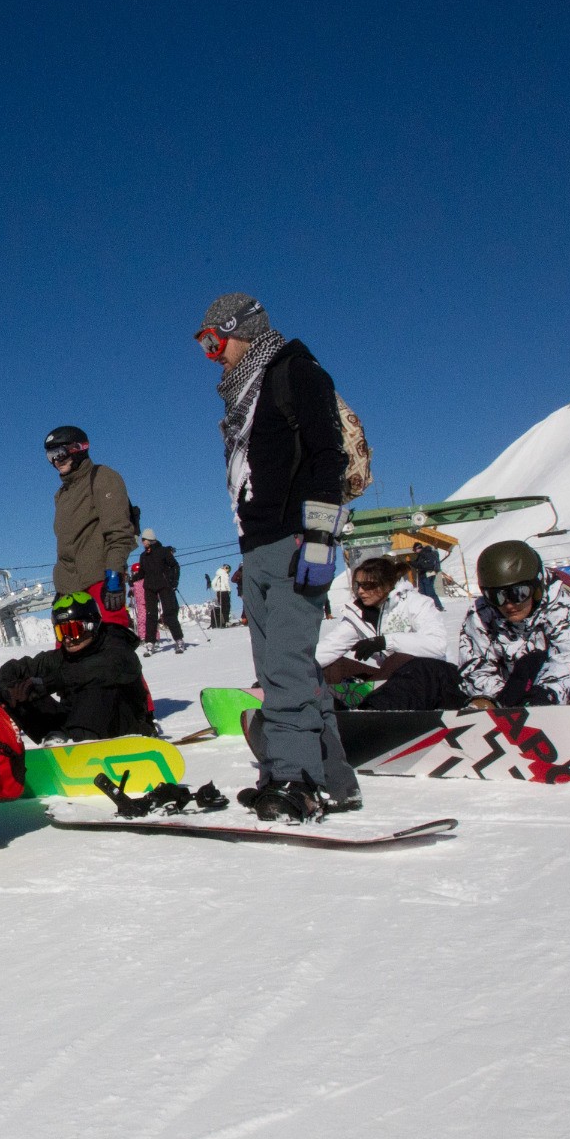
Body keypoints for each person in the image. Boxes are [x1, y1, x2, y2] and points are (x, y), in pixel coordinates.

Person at [198, 292, 360, 822]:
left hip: (297, 541)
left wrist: (320, 538)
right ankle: (330, 776)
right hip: (257, 548)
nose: (212, 354)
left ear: (242, 329)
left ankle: (295, 780)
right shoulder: (239, 395)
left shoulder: (296, 372)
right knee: (279, 668)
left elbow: (327, 457)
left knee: (288, 666)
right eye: (205, 345)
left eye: (214, 341)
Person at [0, 591, 157, 743]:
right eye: (61, 632)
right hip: (78, 726)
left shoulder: (118, 649)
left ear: (91, 625)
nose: (67, 639)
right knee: (16, 692)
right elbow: (23, 667)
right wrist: (7, 687)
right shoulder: (65, 654)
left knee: (96, 685)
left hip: (123, 728)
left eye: (73, 630)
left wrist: (46, 683)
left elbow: (96, 670)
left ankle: (78, 743)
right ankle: (57, 743)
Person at [460, 541, 570, 709]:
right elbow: (476, 666)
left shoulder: (563, 608)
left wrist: (543, 696)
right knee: (434, 672)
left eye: (518, 593)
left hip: (565, 698)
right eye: (495, 596)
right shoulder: (482, 612)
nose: (508, 604)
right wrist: (495, 701)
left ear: (536, 587)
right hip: (509, 699)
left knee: (531, 662)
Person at [316, 556, 460, 711]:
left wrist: (386, 641)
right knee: (333, 666)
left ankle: (369, 710)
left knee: (399, 659)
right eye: (358, 585)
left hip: (434, 679)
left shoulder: (416, 603)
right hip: (393, 681)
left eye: (368, 585)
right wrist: (295, 668)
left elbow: (437, 645)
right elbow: (329, 648)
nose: (361, 591)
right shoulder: (359, 614)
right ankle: (329, 707)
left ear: (387, 585)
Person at [45, 425, 137, 629]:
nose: (56, 460)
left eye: (59, 453)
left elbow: (120, 533)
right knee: (69, 653)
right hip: (69, 589)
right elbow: (67, 545)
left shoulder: (102, 477)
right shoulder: (61, 494)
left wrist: (114, 575)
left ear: (78, 448)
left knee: (111, 643)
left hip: (99, 580)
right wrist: (61, 589)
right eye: (50, 455)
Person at [130, 530, 186, 655]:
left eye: (143, 539)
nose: (142, 542)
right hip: (149, 587)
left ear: (149, 539)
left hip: (164, 585)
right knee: (151, 614)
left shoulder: (163, 551)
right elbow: (142, 573)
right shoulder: (143, 556)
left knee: (169, 613)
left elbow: (175, 566)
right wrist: (133, 579)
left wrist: (174, 581)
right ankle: (150, 642)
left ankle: (178, 639)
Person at [412, 543, 444, 609]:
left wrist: (417, 565)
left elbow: (424, 565)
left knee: (429, 591)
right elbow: (418, 564)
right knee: (423, 592)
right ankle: (429, 608)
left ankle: (438, 606)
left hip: (427, 574)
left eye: (415, 550)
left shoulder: (425, 553)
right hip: (426, 574)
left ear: (418, 548)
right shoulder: (422, 554)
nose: (415, 552)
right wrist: (411, 563)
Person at [209, 563, 233, 627]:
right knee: (227, 606)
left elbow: (213, 583)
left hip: (219, 592)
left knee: (222, 606)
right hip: (224, 591)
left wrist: (216, 589)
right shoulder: (224, 574)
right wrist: (229, 590)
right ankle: (226, 620)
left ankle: (222, 621)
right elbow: (226, 583)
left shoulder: (218, 574)